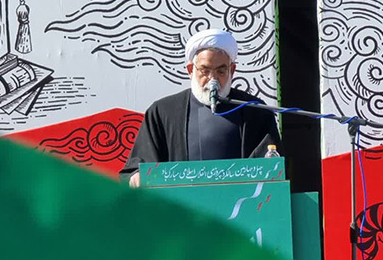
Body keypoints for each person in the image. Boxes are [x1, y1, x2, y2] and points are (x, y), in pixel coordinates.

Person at [120, 28, 281, 187]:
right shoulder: (162, 112)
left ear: (232, 70)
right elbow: (137, 168)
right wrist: (137, 177)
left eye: (221, 71)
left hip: (240, 202)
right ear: (191, 70)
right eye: (205, 71)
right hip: (181, 204)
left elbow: (272, 170)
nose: (213, 79)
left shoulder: (256, 111)